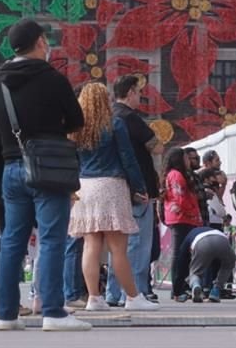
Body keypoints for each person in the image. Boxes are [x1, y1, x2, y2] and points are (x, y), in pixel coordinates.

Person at [0, 19, 88, 332]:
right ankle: (53, 312)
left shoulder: (0, 80)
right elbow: (77, 120)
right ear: (40, 43)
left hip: (11, 167)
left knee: (12, 242)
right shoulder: (53, 79)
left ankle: (5, 314)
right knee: (51, 239)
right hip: (47, 166)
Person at [67, 83, 158, 312]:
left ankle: (94, 298)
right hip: (111, 185)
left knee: (91, 244)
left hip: (84, 186)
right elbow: (128, 158)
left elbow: (71, 160)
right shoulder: (114, 123)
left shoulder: (77, 128)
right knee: (118, 248)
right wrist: (139, 187)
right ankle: (132, 297)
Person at [105, 75, 163, 306]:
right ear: (130, 92)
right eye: (138, 92)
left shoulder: (108, 116)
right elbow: (157, 147)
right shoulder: (130, 118)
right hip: (138, 190)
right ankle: (134, 292)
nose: (140, 96)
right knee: (138, 245)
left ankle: (113, 292)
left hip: (114, 186)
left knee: (116, 245)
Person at [163, 147, 202, 300]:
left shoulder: (176, 175)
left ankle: (180, 287)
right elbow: (180, 198)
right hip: (181, 217)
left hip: (183, 217)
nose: (189, 161)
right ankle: (177, 289)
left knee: (182, 254)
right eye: (186, 158)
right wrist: (193, 211)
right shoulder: (176, 175)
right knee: (179, 255)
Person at [174, 226, 236, 303]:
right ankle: (216, 291)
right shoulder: (211, 229)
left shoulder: (188, 237)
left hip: (202, 243)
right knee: (227, 266)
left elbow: (181, 264)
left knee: (195, 272)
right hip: (223, 241)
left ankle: (196, 285)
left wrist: (176, 291)